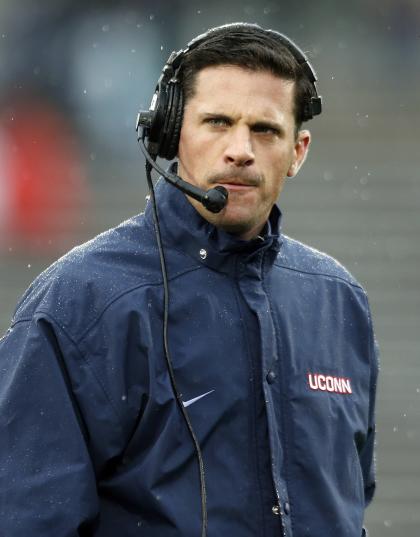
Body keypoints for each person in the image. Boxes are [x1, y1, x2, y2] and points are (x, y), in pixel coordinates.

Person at [0, 22, 378, 537]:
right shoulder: (79, 303)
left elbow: (352, 500)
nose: (240, 149)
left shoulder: (339, 301)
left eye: (264, 129)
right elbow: (28, 517)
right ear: (173, 134)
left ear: (298, 151)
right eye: (217, 122)